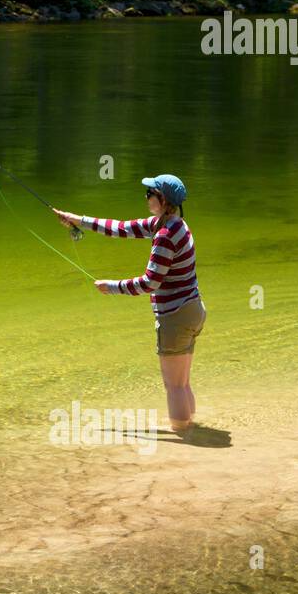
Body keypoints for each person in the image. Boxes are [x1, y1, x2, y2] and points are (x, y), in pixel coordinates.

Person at [53, 175, 204, 435]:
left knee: (174, 386)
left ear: (163, 199)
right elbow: (120, 228)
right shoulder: (174, 224)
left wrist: (112, 287)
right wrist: (76, 219)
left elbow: (150, 283)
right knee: (182, 383)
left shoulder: (165, 235)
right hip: (192, 310)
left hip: (176, 316)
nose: (146, 197)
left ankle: (184, 439)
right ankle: (191, 432)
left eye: (150, 193)